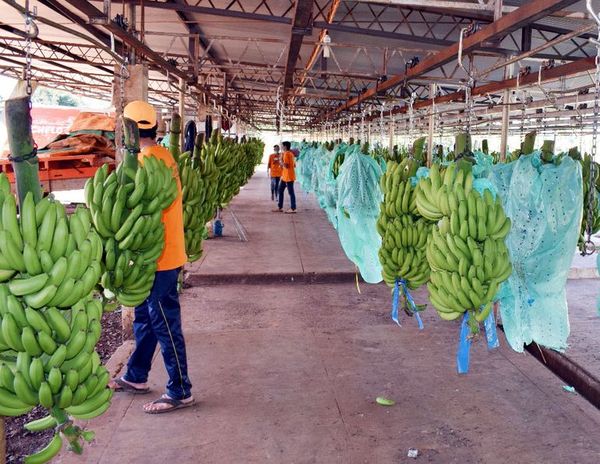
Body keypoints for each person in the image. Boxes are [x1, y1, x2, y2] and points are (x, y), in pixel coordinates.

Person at [109, 100, 193, 414]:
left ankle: (180, 390)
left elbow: (134, 211)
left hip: (160, 258)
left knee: (165, 323)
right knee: (145, 318)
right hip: (153, 256)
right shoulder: (161, 155)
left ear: (127, 131)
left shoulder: (145, 164)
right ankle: (136, 375)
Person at [274, 141, 296, 213]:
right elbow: (294, 165)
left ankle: (293, 208)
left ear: (285, 146)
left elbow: (286, 165)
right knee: (280, 190)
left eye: (282, 146)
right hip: (285, 176)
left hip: (288, 176)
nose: (281, 147)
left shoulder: (286, 154)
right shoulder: (290, 154)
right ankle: (280, 207)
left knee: (291, 192)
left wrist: (280, 161)